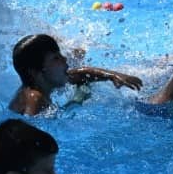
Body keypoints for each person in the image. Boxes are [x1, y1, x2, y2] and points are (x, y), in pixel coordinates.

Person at [9, 34, 141, 116]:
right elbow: (29, 135)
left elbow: (82, 73)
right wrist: (76, 102)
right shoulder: (35, 98)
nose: (65, 59)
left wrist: (113, 75)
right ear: (36, 72)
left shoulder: (42, 82)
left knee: (83, 87)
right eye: (56, 58)